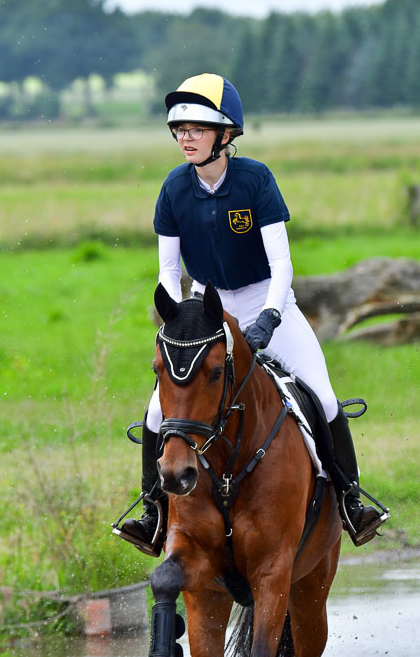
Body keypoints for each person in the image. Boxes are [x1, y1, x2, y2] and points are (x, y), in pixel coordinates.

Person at [118, 72, 388, 555]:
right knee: (159, 410)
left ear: (225, 134)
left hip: (269, 295)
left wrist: (268, 318)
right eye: (180, 130)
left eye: (197, 129)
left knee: (323, 398)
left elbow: (282, 264)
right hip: (206, 304)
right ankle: (152, 511)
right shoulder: (174, 189)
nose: (186, 138)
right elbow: (166, 271)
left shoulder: (255, 179)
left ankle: (351, 500)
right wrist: (180, 316)